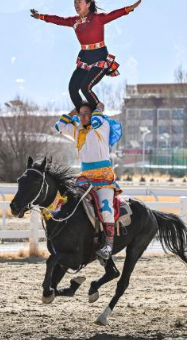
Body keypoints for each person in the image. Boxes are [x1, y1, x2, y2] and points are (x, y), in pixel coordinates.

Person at [31, 0, 141, 110]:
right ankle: (84, 114)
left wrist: (128, 9)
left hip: (100, 57)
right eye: (74, 2)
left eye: (79, 2)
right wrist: (41, 16)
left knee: (85, 87)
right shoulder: (74, 21)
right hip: (85, 58)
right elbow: (58, 19)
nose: (76, 5)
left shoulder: (97, 18)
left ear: (88, 4)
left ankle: (98, 109)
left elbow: (113, 14)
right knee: (72, 89)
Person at [54, 101, 121, 261]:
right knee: (66, 202)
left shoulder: (102, 126)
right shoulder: (78, 131)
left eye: (86, 114)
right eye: (80, 114)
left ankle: (108, 245)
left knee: (106, 208)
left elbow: (96, 120)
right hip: (84, 178)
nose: (82, 117)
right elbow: (59, 127)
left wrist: (98, 109)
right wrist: (73, 112)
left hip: (104, 178)